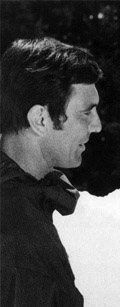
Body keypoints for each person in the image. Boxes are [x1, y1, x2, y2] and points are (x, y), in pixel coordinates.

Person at [0, 37, 103, 306]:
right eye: (86, 113)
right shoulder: (18, 238)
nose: (97, 125)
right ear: (41, 120)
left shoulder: (23, 195)